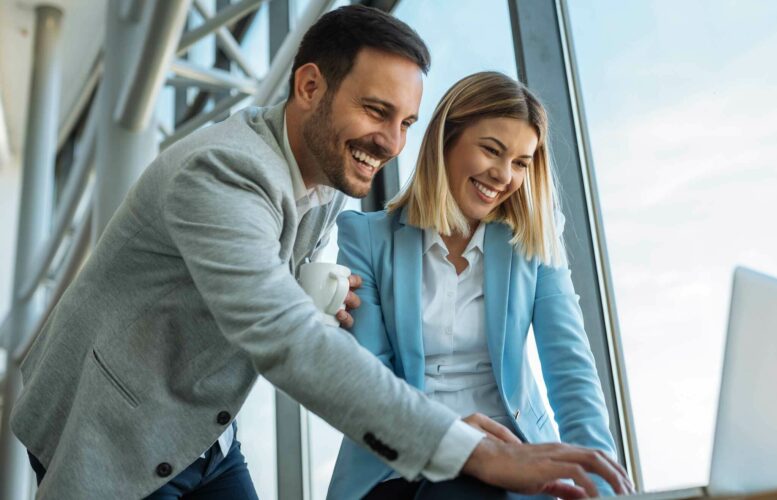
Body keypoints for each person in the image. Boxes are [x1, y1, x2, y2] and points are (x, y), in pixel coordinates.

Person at [11, 5, 629, 499]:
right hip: (112, 423)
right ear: (309, 86)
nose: (390, 142)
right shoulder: (223, 170)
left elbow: (273, 297)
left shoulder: (331, 174)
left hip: (206, 431)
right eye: (376, 111)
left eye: (407, 123)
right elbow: (286, 339)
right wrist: (479, 453)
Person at [329, 72, 632, 499]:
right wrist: (449, 440)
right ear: (446, 140)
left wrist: (604, 487)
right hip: (400, 465)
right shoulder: (367, 238)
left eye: (521, 163)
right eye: (492, 150)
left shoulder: (532, 242)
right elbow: (371, 379)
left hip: (516, 459)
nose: (504, 175)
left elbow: (571, 370)